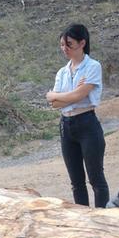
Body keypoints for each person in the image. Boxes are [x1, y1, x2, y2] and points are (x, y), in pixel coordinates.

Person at [46, 23, 109, 208]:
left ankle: (102, 218)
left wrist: (56, 94)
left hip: (87, 123)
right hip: (66, 126)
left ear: (82, 43)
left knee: (96, 178)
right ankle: (83, 219)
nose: (64, 49)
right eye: (62, 45)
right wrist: (70, 94)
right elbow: (55, 104)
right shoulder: (62, 72)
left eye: (69, 44)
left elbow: (78, 96)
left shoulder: (93, 66)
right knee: (76, 182)